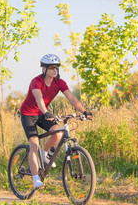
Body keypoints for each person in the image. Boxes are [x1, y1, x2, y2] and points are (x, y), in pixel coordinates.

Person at [19, 54, 92, 189]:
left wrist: (84, 112)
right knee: (34, 144)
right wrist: (45, 111)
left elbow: (71, 97)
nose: (55, 70)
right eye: (52, 67)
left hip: (43, 114)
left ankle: (45, 153)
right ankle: (36, 179)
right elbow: (39, 98)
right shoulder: (36, 82)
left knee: (58, 133)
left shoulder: (59, 82)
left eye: (57, 67)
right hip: (28, 114)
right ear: (44, 69)